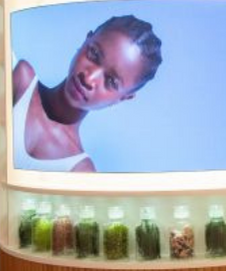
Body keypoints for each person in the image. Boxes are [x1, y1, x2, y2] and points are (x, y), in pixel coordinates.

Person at [11, 13, 162, 172]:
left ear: (124, 98)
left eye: (110, 81)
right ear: (85, 41)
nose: (89, 78)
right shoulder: (20, 79)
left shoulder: (81, 172)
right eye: (94, 54)